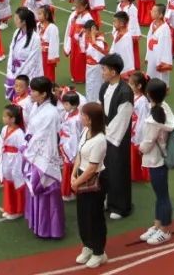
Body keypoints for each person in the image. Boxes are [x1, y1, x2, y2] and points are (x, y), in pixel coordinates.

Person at [24, 76, 65, 239]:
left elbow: (42, 137)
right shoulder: (37, 106)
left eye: (33, 91)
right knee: (38, 190)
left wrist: (28, 147)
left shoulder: (50, 113)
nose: (30, 93)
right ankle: (39, 224)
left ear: (43, 94)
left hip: (44, 155)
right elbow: (31, 130)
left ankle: (50, 228)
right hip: (35, 151)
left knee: (46, 189)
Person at [137, 77, 174, 245]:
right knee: (160, 194)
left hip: (156, 159)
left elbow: (147, 143)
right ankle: (157, 225)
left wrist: (140, 149)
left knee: (161, 195)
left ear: (148, 95)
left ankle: (165, 230)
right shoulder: (164, 108)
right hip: (161, 157)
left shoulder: (154, 119)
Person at [72, 102, 109, 269]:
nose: (81, 118)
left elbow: (93, 167)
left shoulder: (100, 140)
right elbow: (80, 154)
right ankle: (87, 245)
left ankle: (99, 252)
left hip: (95, 180)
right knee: (82, 215)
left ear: (91, 119)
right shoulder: (86, 131)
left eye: (83, 116)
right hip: (81, 176)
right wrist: (74, 174)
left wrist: (76, 182)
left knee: (94, 216)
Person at [98, 54, 134, 220]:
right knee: (105, 170)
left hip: (117, 137)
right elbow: (102, 108)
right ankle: (107, 199)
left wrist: (108, 135)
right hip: (105, 132)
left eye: (104, 69)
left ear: (113, 72)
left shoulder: (125, 92)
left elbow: (123, 118)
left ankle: (120, 206)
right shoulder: (105, 87)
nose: (102, 72)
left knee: (118, 169)